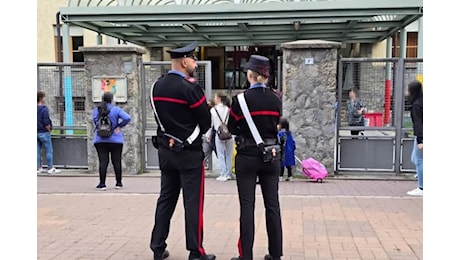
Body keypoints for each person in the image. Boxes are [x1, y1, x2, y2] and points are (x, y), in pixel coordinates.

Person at [149, 41, 215, 260]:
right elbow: (205, 122)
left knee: (165, 199)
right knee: (193, 203)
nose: (195, 64)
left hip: (166, 153)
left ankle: (157, 247)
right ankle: (196, 251)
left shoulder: (156, 86)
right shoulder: (190, 87)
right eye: (194, 60)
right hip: (189, 154)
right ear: (185, 61)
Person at [228, 54, 283, 260]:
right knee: (273, 205)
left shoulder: (240, 100)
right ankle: (275, 254)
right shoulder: (276, 98)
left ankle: (246, 256)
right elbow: (276, 122)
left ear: (250, 75)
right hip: (271, 155)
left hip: (247, 156)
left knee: (247, 206)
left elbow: (233, 127)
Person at [92, 92, 131, 190]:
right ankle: (118, 183)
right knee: (116, 161)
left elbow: (95, 122)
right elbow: (127, 118)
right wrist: (119, 126)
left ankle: (102, 184)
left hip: (100, 139)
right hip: (116, 139)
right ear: (112, 100)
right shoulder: (116, 109)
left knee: (103, 161)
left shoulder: (97, 110)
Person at [207, 93, 234, 181]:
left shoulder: (213, 110)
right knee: (229, 154)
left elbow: (210, 125)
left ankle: (223, 173)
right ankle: (229, 173)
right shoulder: (229, 109)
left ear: (219, 98)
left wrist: (208, 135)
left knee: (221, 154)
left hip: (219, 134)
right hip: (229, 133)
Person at [406, 81, 423, 196]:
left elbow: (418, 123)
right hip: (420, 135)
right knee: (414, 158)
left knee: (419, 160)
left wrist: (421, 140)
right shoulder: (421, 102)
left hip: (421, 136)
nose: (406, 92)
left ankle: (422, 187)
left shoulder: (417, 105)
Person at [37, 91, 61, 174]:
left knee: (37, 151)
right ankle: (50, 167)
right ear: (41, 98)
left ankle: (38, 168)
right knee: (48, 150)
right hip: (44, 132)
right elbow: (46, 121)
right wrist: (49, 129)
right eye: (43, 97)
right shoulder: (44, 109)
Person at [203, 99, 217, 170]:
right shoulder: (213, 112)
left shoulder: (210, 113)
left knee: (205, 152)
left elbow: (210, 125)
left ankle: (204, 166)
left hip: (209, 134)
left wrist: (207, 135)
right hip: (214, 134)